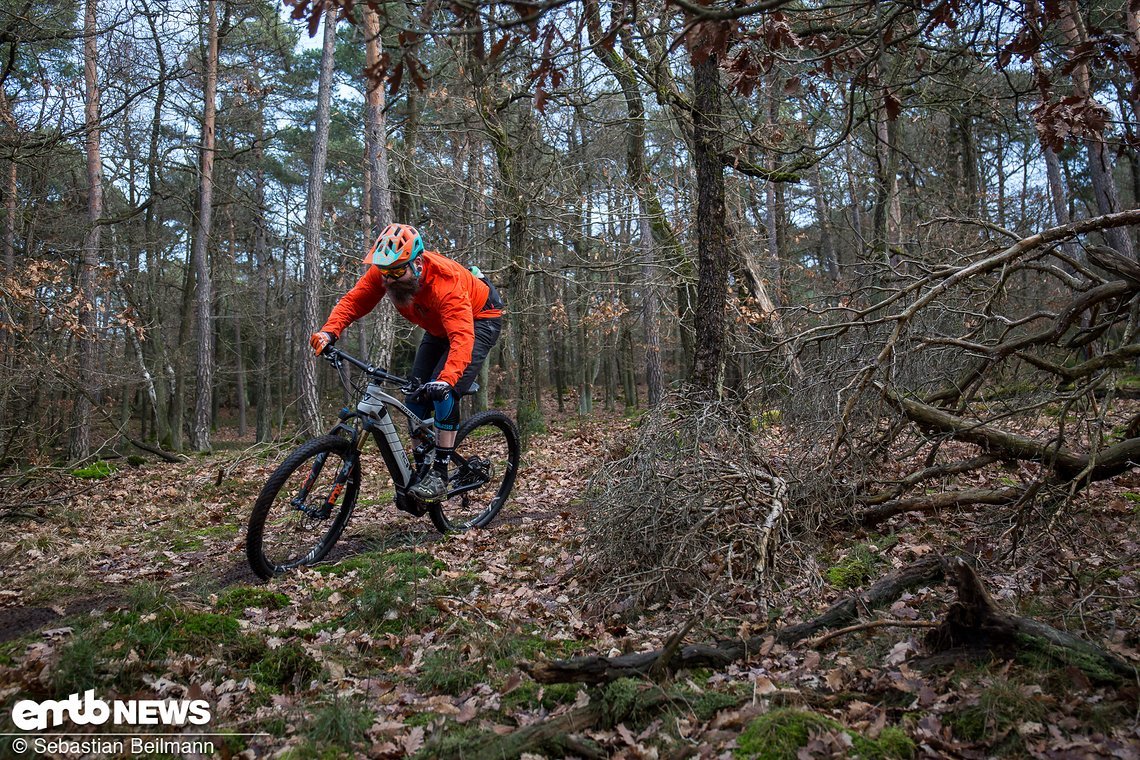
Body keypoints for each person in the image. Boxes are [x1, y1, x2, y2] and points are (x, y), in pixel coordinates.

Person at [310, 223, 503, 501]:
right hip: (438, 326)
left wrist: (446, 381)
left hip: (480, 319)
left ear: (419, 263)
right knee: (414, 396)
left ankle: (439, 474)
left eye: (398, 272)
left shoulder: (445, 283)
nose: (389, 280)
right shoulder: (387, 271)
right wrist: (329, 331)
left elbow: (462, 338)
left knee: (443, 392)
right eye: (385, 274)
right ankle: (423, 463)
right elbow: (354, 301)